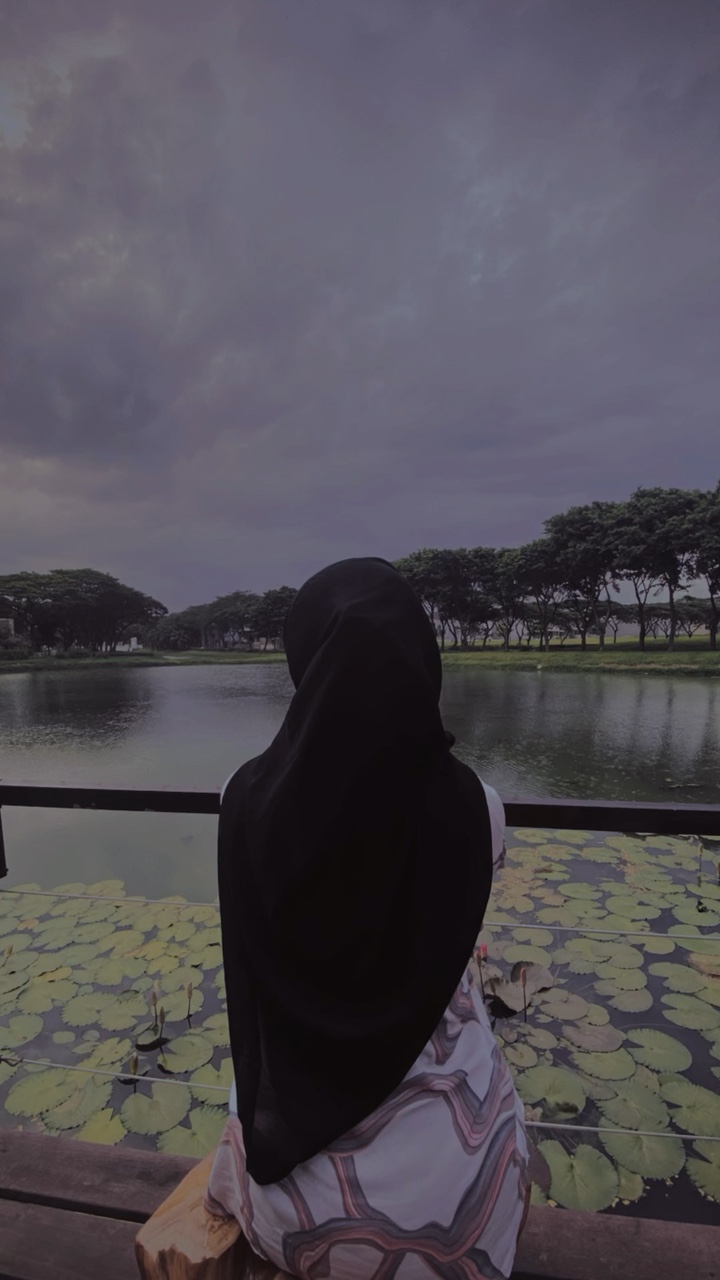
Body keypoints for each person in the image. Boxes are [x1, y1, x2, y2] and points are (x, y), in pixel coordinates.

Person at [206, 557, 529, 1280]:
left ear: (303, 661)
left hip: (294, 1208)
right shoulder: (479, 806)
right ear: (422, 658)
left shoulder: (239, 797)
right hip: (460, 1197)